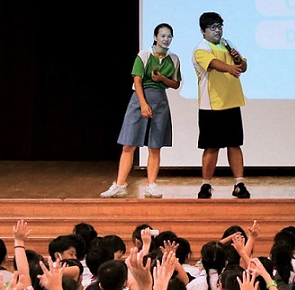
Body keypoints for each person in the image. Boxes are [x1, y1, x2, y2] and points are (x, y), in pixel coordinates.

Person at [102, 23, 181, 199]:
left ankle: (151, 185)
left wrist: (161, 78)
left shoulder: (173, 59)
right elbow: (137, 80)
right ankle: (120, 184)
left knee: (155, 146)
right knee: (129, 144)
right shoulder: (144, 55)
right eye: (163, 36)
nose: (166, 39)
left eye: (169, 36)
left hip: (160, 101)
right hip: (140, 99)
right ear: (155, 37)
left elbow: (175, 84)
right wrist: (143, 104)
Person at [194, 11, 250, 199]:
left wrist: (238, 61)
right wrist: (230, 68)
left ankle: (239, 183)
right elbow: (214, 64)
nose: (217, 30)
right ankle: (206, 185)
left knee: (234, 145)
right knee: (211, 147)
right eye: (213, 27)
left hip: (231, 103)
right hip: (212, 106)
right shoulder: (201, 49)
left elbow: (244, 66)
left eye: (219, 26)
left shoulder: (228, 44)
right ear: (203, 31)